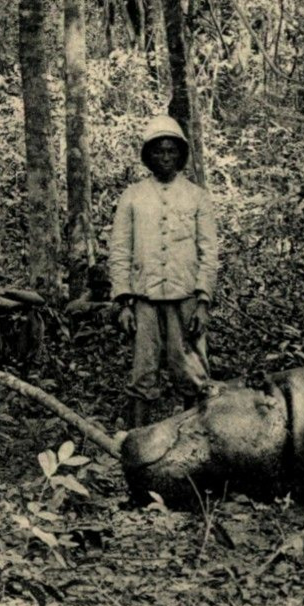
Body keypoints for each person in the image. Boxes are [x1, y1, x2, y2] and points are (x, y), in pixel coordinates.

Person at [109, 115, 217, 425]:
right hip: (144, 299)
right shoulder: (133, 196)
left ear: (181, 155)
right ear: (149, 156)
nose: (165, 157)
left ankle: (195, 442)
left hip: (185, 298)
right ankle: (137, 442)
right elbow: (120, 251)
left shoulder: (197, 196)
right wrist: (124, 302)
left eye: (171, 151)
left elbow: (208, 251)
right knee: (143, 372)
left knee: (192, 373)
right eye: (159, 151)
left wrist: (203, 300)